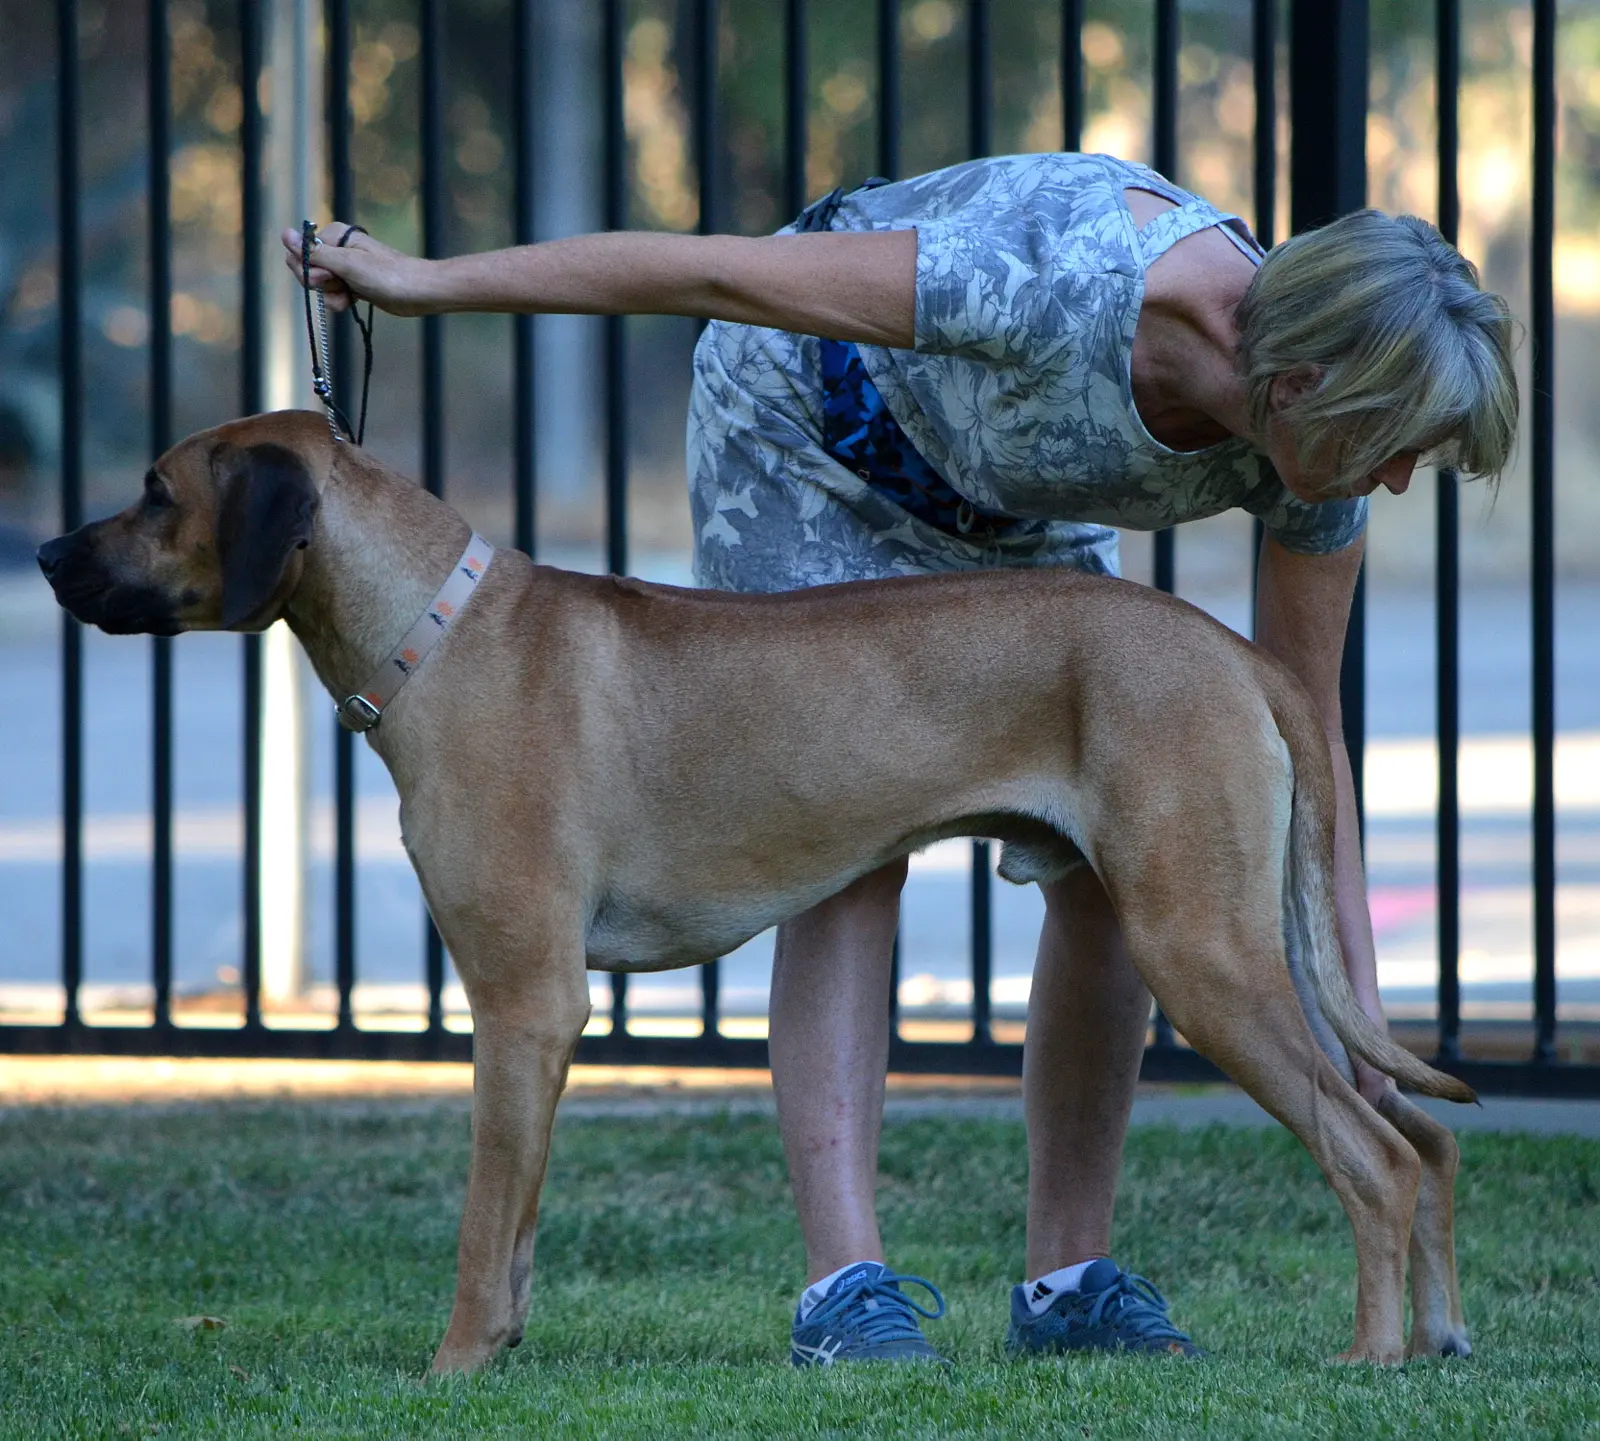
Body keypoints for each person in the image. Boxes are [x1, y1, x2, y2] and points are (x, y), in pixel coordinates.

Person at [283, 149, 1517, 1367]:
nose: (1398, 479)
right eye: (1396, 445)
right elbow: (711, 272)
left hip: (996, 498)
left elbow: (1306, 733)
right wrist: (425, 282)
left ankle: (1068, 1280)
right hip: (810, 427)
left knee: (1123, 853)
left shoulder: (1320, 458)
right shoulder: (1060, 278)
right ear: (1299, 382)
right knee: (837, 844)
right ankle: (847, 1288)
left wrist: (1348, 1009)